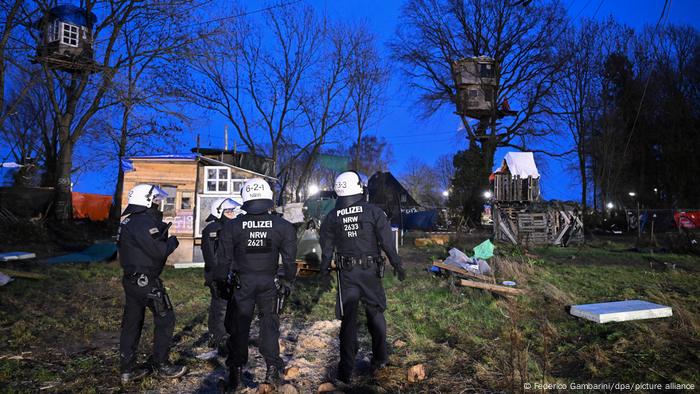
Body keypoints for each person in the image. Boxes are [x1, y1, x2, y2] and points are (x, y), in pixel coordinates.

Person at [319, 171, 406, 384]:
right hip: (370, 272)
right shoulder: (373, 212)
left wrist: (323, 271)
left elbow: (327, 248)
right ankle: (380, 360)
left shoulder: (332, 216)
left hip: (346, 274)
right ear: (359, 188)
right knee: (375, 314)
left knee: (348, 321)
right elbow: (387, 242)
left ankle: (345, 370)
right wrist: (397, 264)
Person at [219, 178, 297, 392]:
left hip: (242, 282)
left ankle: (235, 374)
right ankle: (272, 369)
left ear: (245, 197)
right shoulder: (283, 226)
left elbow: (222, 261)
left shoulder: (233, 225)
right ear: (267, 196)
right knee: (269, 325)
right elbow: (289, 261)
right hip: (269, 283)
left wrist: (220, 283)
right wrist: (288, 280)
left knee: (239, 327)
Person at [116, 184, 188, 384]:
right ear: (146, 201)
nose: (159, 203)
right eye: (156, 199)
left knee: (132, 323)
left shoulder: (129, 220)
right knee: (166, 319)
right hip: (146, 280)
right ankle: (162, 365)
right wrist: (172, 241)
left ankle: (127, 370)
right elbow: (159, 250)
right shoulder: (143, 221)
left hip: (131, 279)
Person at [201, 197, 241, 357]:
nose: (232, 214)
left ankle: (220, 335)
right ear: (219, 212)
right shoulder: (213, 229)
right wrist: (219, 277)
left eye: (232, 211)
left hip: (231, 274)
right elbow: (212, 257)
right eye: (228, 211)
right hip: (218, 275)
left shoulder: (230, 228)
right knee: (220, 308)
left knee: (229, 307)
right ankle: (219, 338)